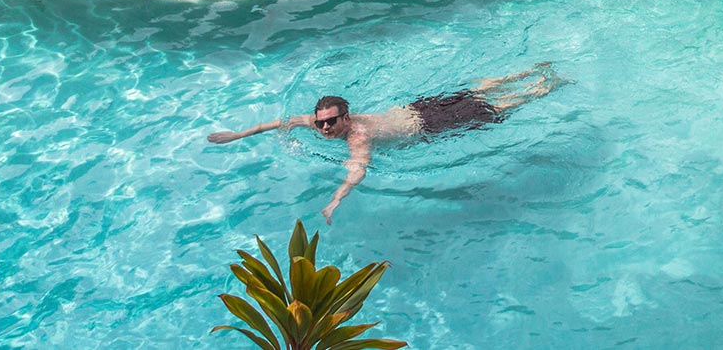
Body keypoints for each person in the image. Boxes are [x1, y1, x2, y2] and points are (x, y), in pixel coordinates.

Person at [207, 66, 557, 221]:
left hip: (429, 122)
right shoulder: (314, 122)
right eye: (321, 121)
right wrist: (237, 135)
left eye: (332, 121)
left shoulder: (359, 135)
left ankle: (539, 86)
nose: (325, 127)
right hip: (415, 108)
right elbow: (276, 122)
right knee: (473, 93)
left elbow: (357, 169)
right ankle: (529, 75)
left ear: (347, 117)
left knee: (490, 106)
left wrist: (334, 200)